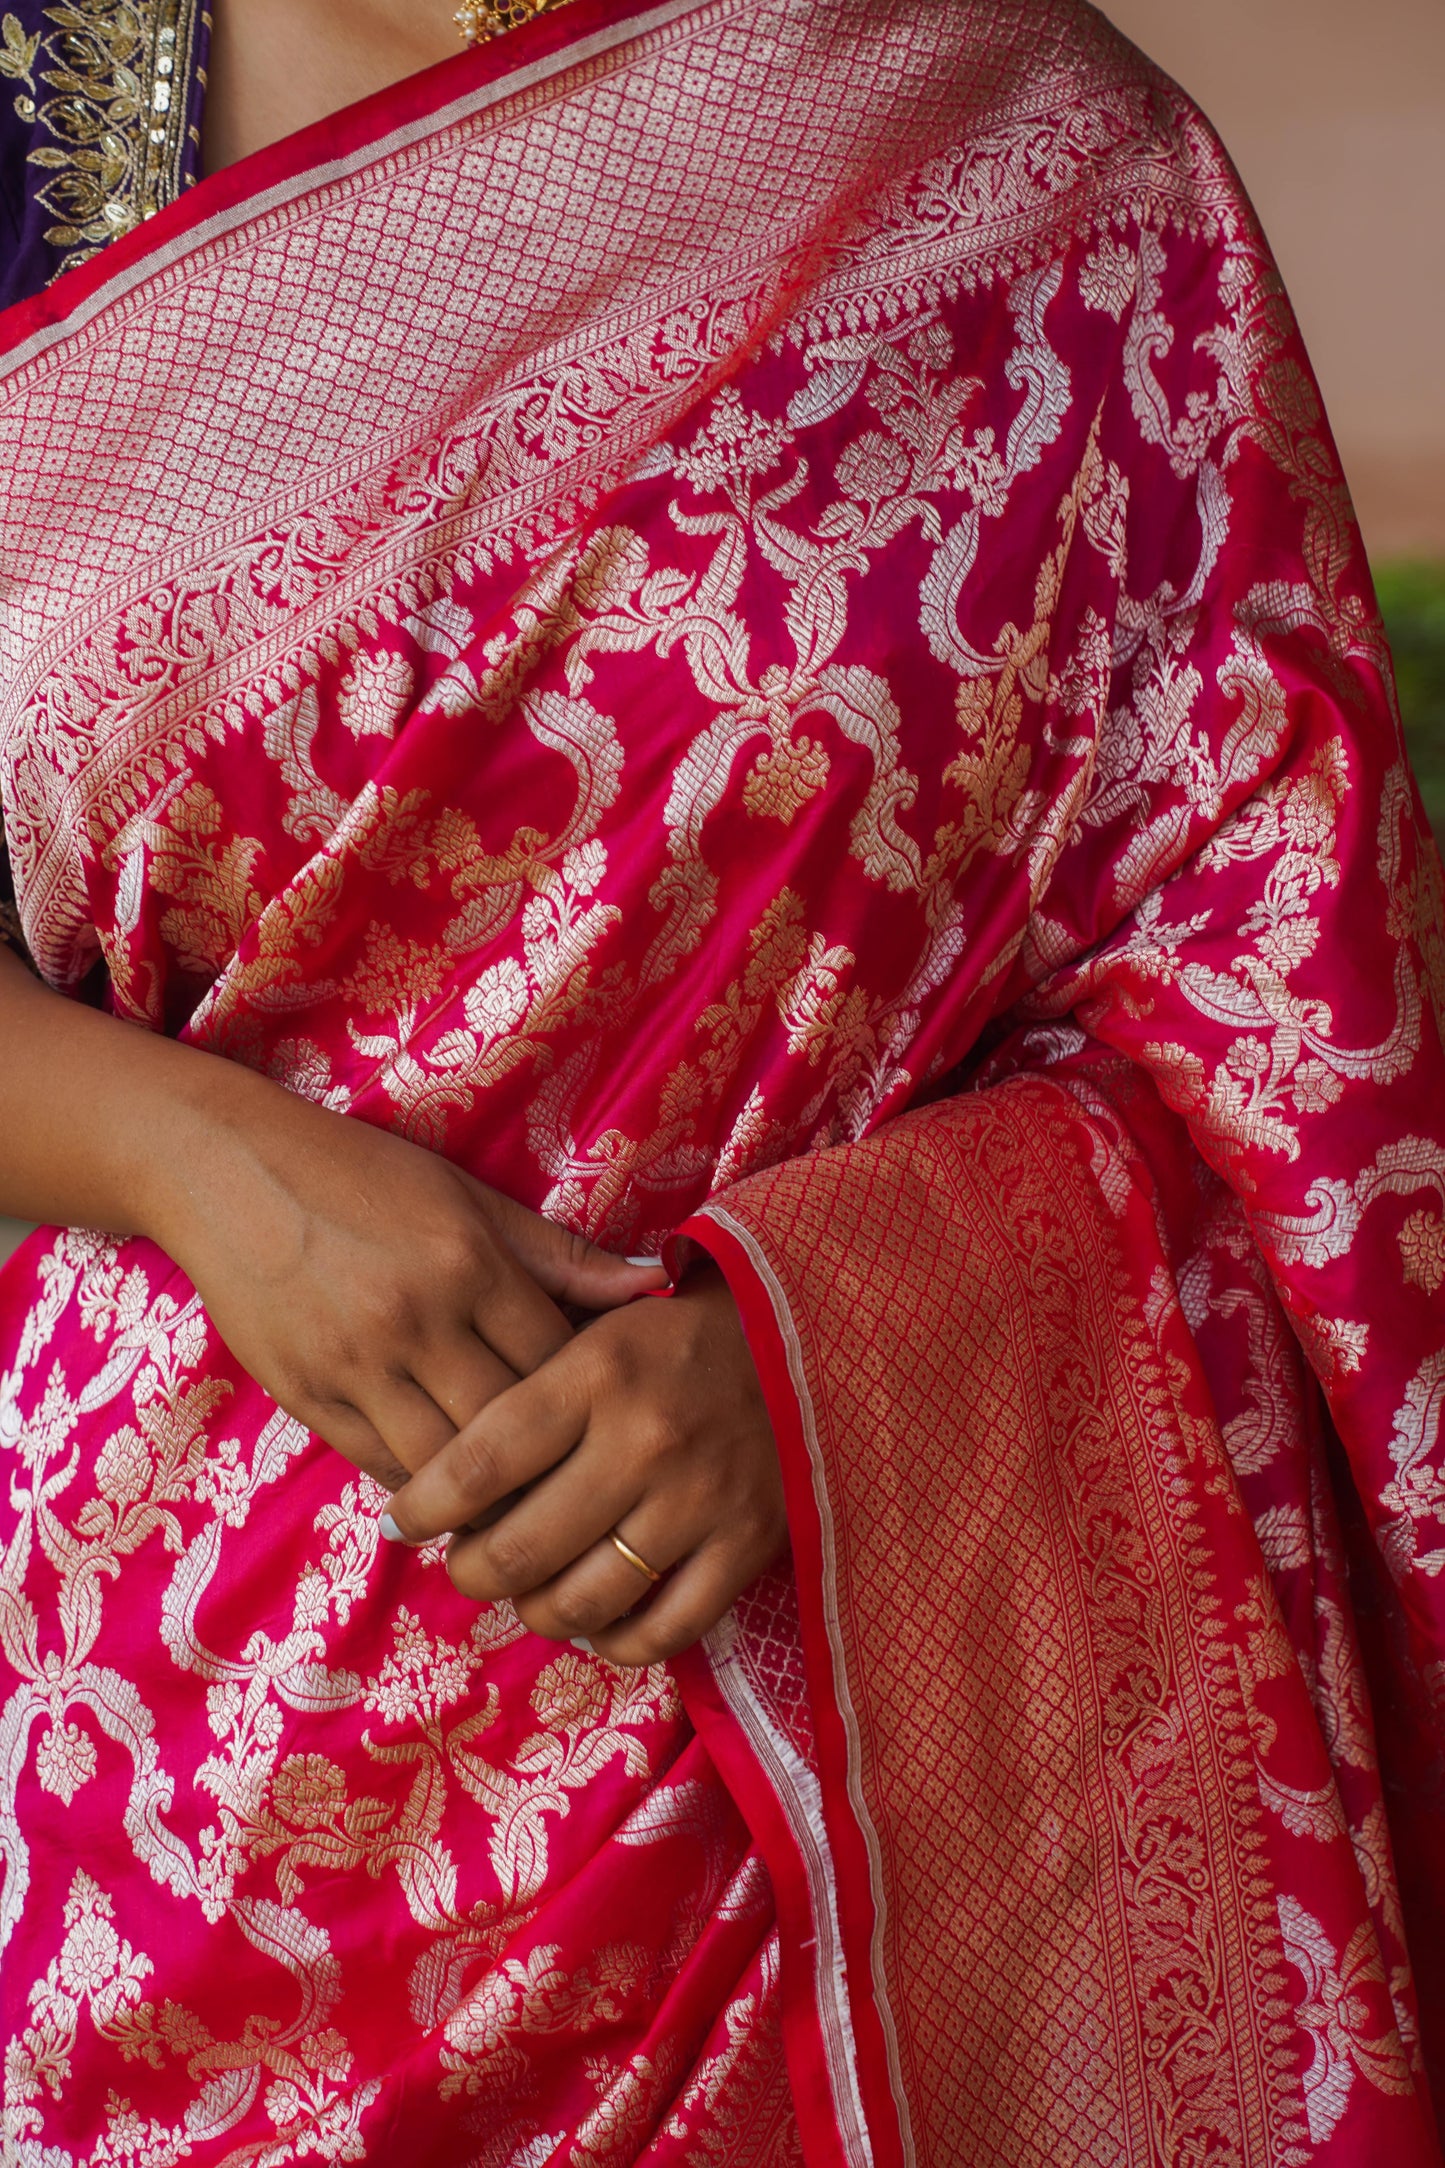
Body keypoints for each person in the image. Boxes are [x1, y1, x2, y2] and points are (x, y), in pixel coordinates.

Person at [0, 0, 1441, 2158]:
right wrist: (212, 1168)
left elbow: (1285, 1028)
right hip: (173, 1806)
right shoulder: (34, 109)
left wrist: (824, 1355)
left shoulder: (997, 132)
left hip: (881, 1808)